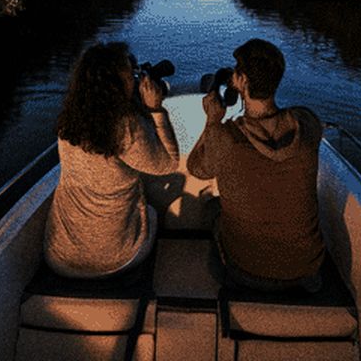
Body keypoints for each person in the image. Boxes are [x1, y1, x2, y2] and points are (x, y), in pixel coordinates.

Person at [187, 38, 325, 291]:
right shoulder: (307, 124)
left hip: (247, 272)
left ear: (242, 81)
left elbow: (197, 168)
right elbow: (292, 119)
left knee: (210, 208)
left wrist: (212, 122)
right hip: (308, 271)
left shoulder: (226, 136)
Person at [44, 41, 179, 278]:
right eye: (130, 75)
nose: (134, 80)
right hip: (115, 261)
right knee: (152, 212)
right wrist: (156, 110)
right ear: (114, 84)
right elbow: (168, 163)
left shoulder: (68, 121)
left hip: (59, 257)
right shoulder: (126, 127)